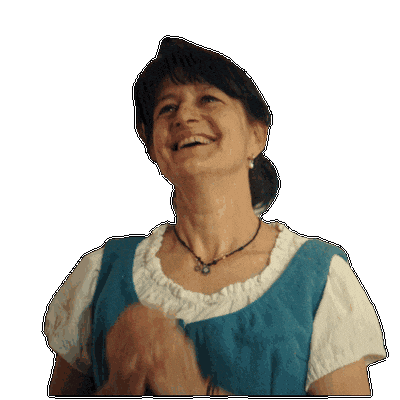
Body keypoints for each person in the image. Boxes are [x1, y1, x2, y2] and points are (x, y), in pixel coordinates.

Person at [45, 38, 386, 395]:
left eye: (208, 99)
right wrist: (120, 386)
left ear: (256, 135)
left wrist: (191, 388)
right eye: (167, 108)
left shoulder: (321, 278)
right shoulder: (99, 274)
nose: (184, 117)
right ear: (152, 147)